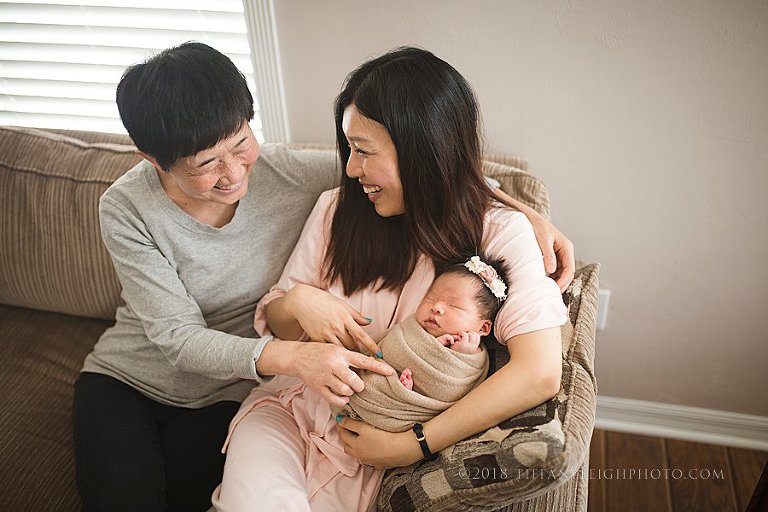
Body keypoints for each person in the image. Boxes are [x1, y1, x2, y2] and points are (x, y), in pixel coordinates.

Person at [213, 46, 570, 512]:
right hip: (287, 414)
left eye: (363, 151)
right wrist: (299, 301)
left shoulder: (498, 232)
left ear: (423, 150)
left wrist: (414, 445)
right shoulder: (335, 209)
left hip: (370, 447)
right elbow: (280, 326)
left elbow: (539, 373)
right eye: (349, 149)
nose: (350, 168)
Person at [72, 42, 394, 512]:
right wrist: (300, 358)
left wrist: (519, 209)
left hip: (229, 393)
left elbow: (406, 177)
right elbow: (178, 339)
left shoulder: (288, 174)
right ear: (152, 158)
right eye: (206, 163)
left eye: (241, 142)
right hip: (126, 383)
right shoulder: (126, 208)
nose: (233, 172)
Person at [341, 254, 511, 434]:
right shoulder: (412, 326)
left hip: (404, 415)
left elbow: (451, 391)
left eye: (454, 305)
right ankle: (401, 390)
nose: (436, 307)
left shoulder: (473, 357)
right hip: (366, 389)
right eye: (430, 298)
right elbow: (385, 347)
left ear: (483, 327)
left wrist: (458, 353)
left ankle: (406, 393)